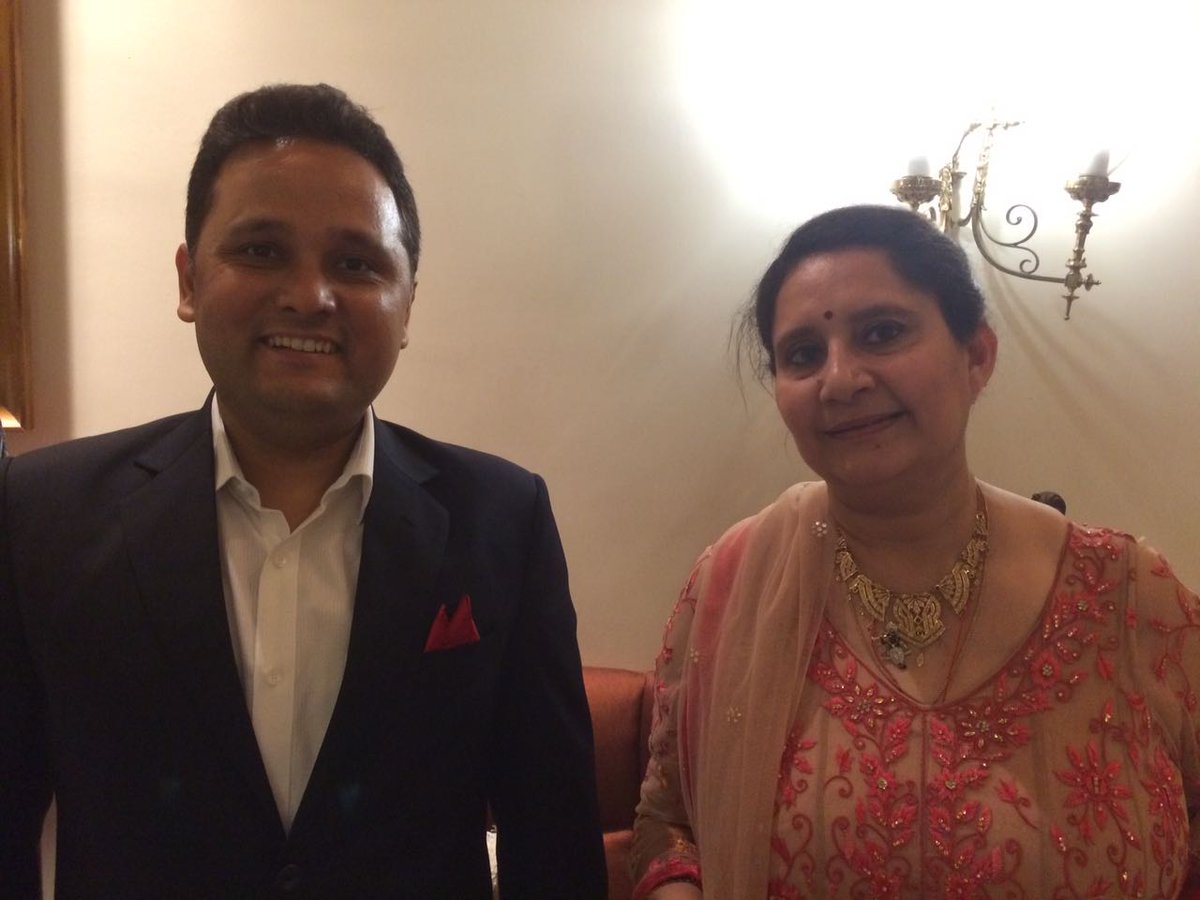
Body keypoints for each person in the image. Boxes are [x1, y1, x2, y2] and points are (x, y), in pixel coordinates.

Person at [0, 83, 606, 899]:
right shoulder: (40, 514)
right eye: (261, 251)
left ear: (407, 304)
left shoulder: (502, 521)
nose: (309, 296)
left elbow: (554, 844)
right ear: (188, 279)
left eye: (356, 264)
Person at [629, 205, 1200, 898]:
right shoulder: (735, 582)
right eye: (803, 354)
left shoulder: (1129, 597)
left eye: (882, 332)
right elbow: (670, 824)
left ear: (976, 356)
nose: (840, 379)